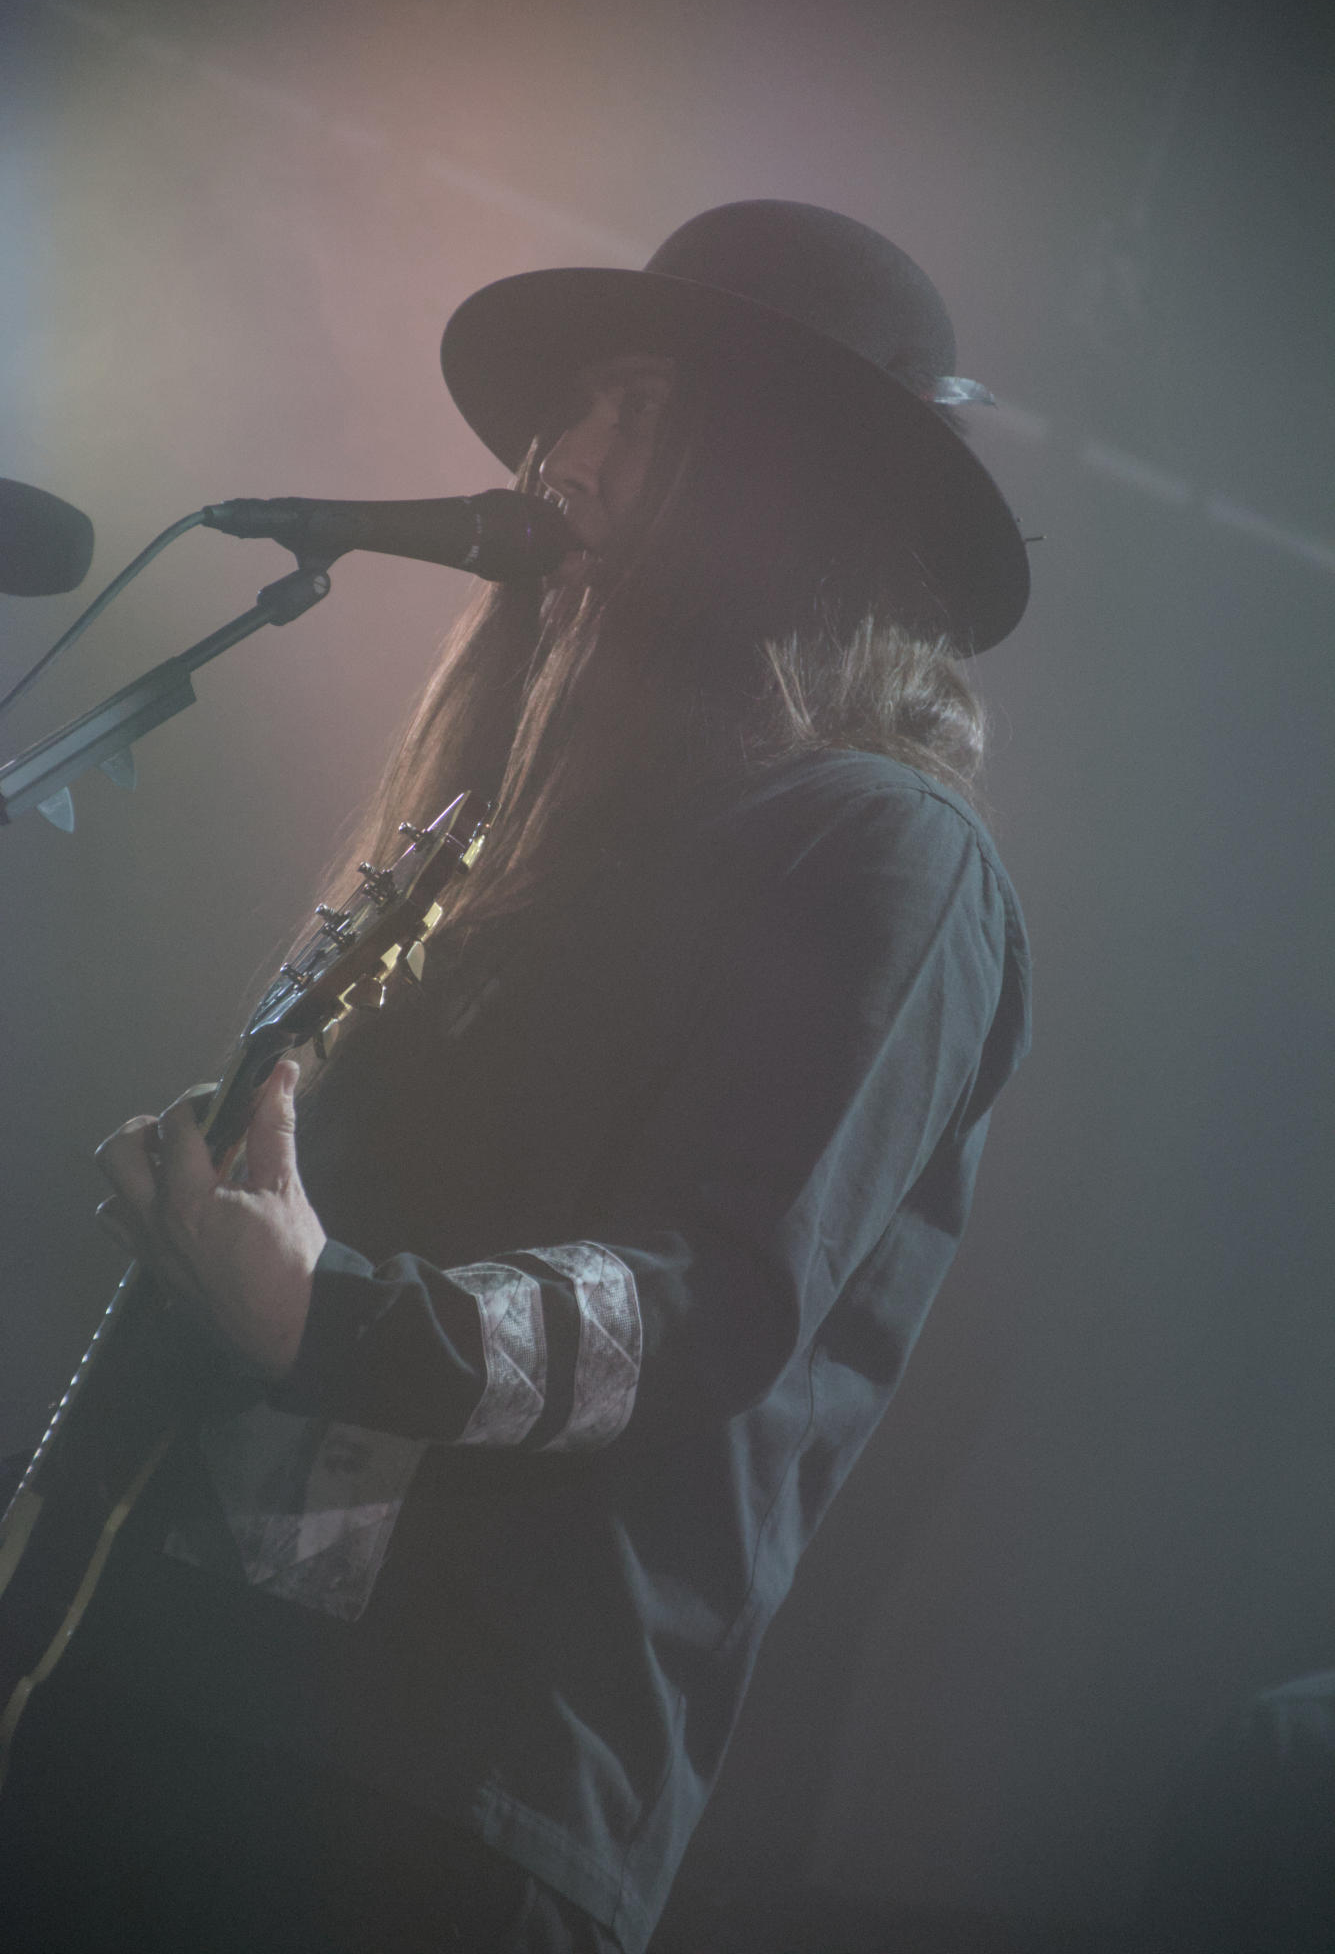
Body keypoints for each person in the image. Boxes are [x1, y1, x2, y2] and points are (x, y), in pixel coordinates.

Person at [0, 201, 1032, 1953]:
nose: (564, 449)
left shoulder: (881, 848)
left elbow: (708, 1302)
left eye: (641, 406)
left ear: (784, 481)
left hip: (433, 1795)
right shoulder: (492, 833)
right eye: (577, 402)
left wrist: (324, 1314)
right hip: (164, 1696)